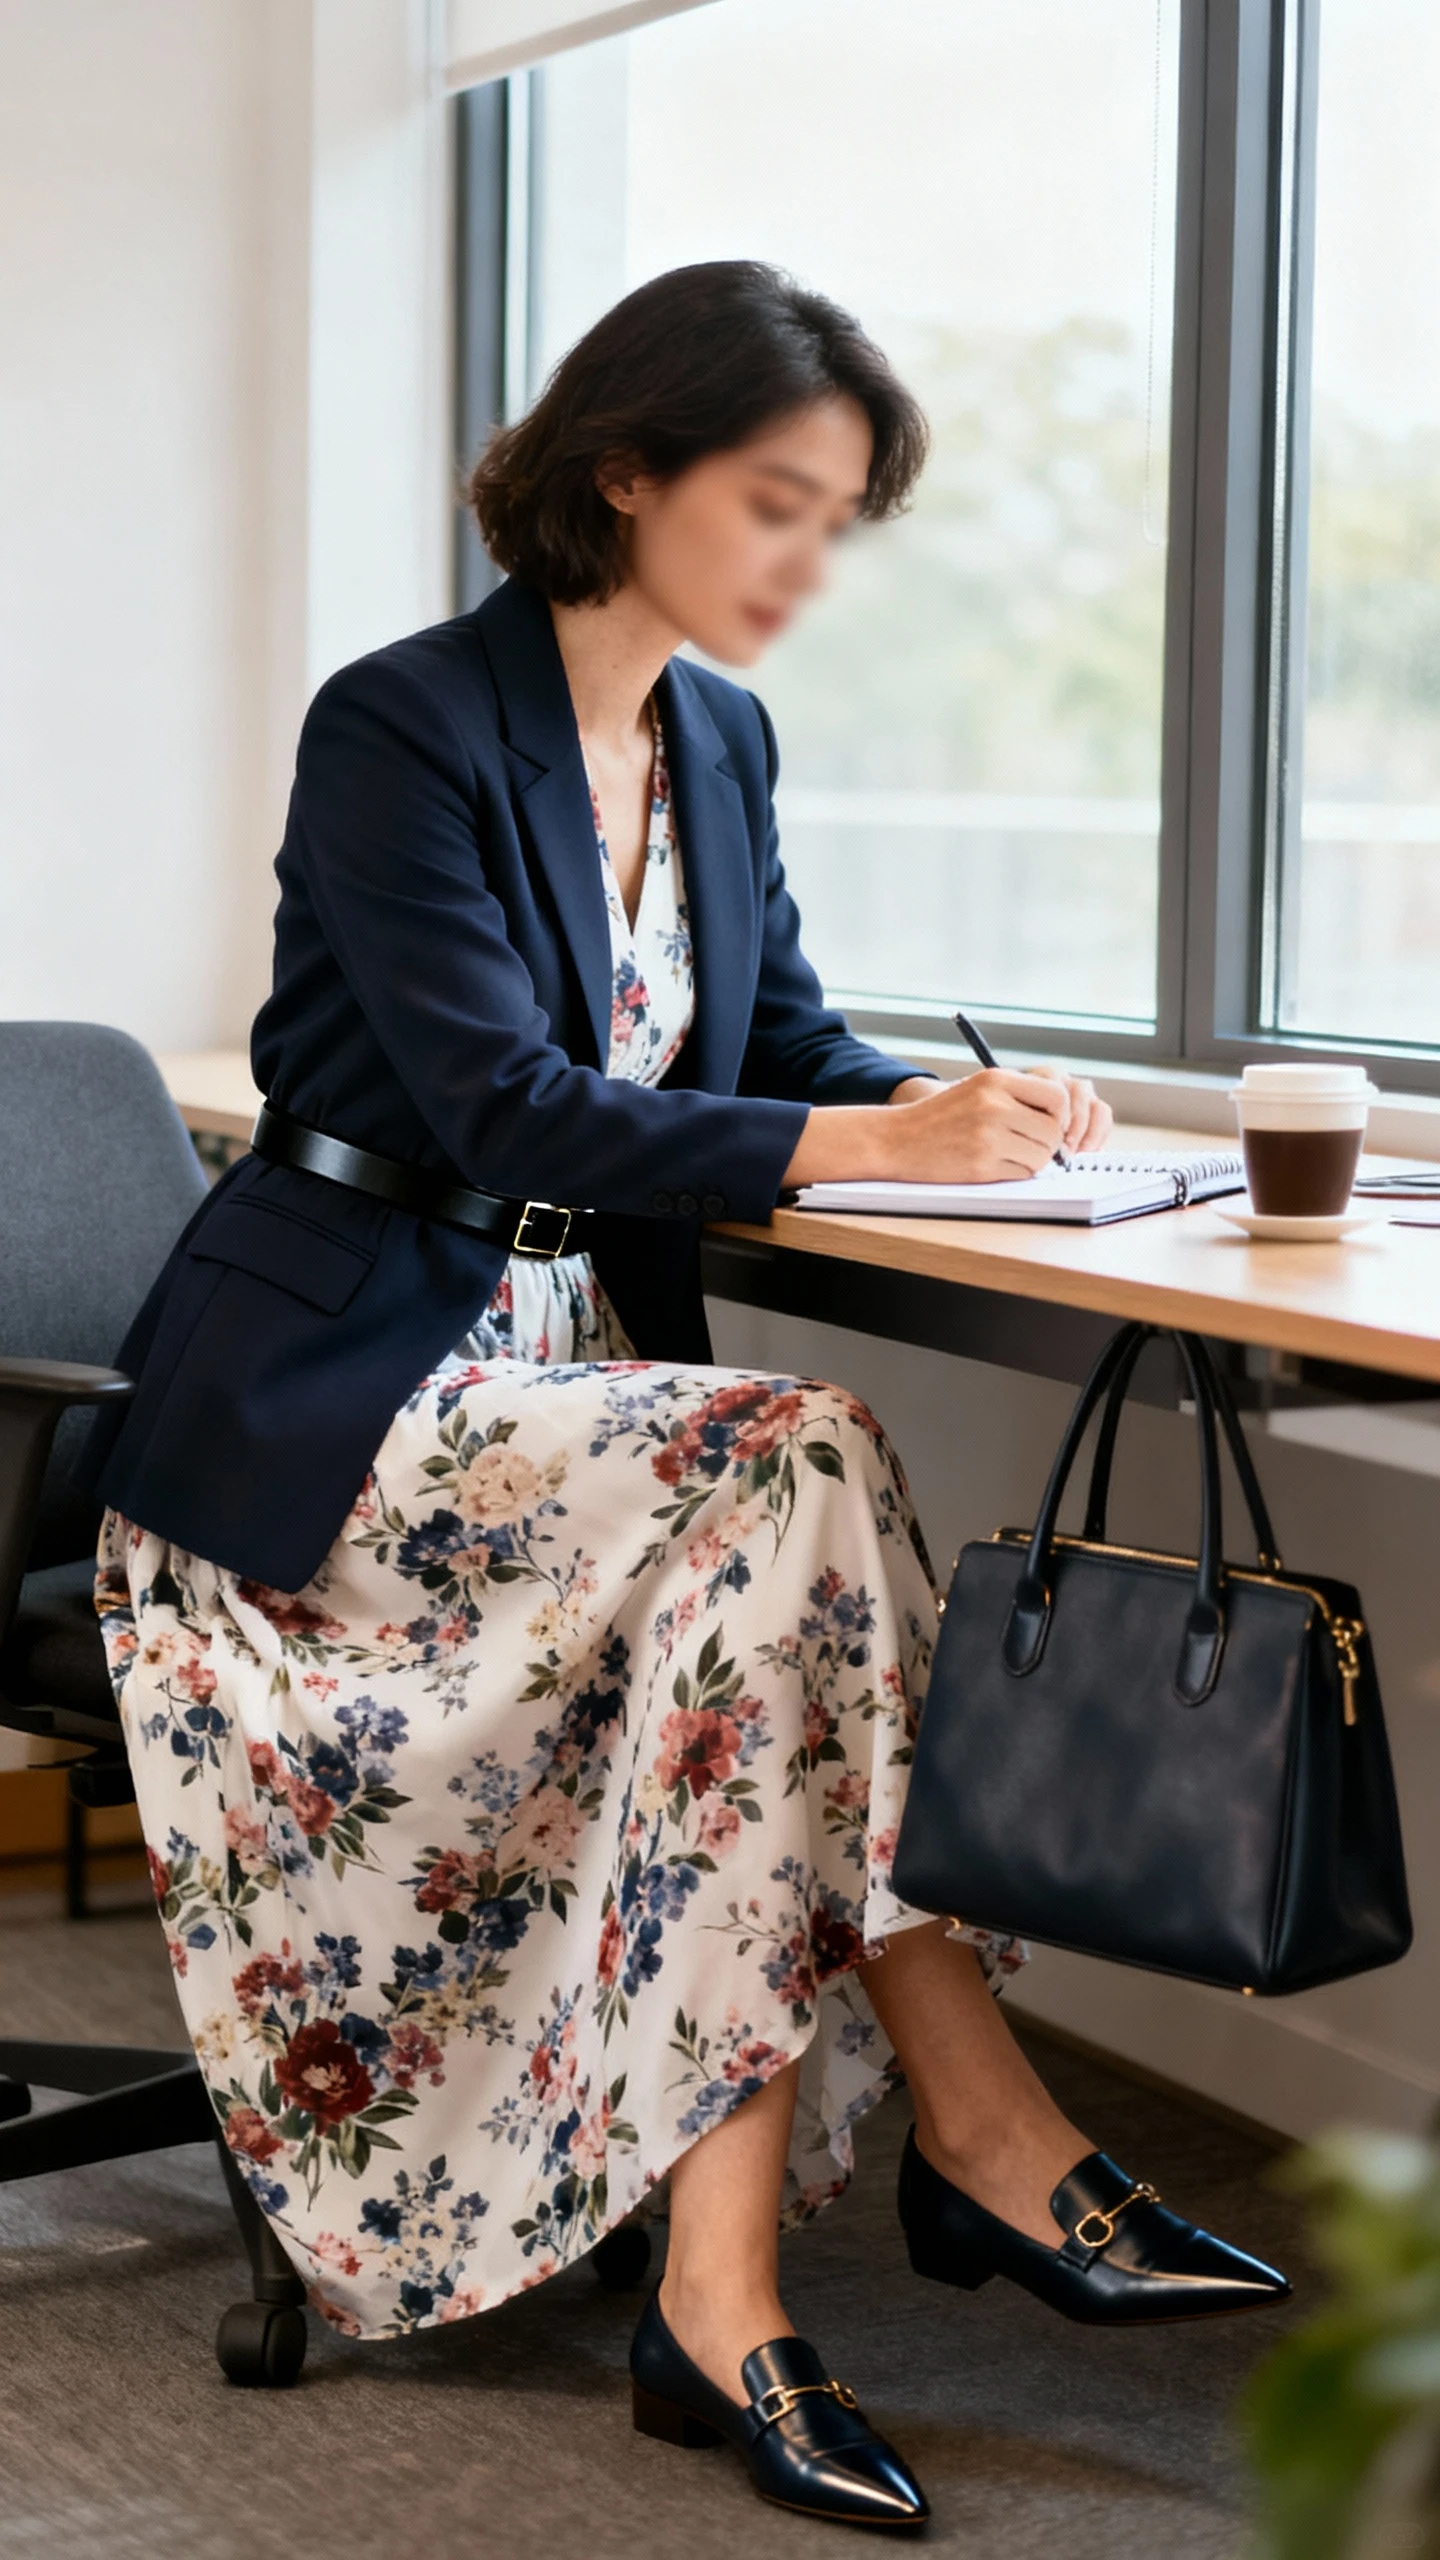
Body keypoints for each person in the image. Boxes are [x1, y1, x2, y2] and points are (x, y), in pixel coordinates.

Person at [92, 261, 1287, 2532]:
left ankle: (721, 2290)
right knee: (802, 1461)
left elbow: (774, 1053)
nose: (809, 564)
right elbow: (506, 1099)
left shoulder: (718, 742)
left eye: (840, 521)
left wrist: (988, 1114)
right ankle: (992, 2137)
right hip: (349, 1400)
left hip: (594, 1416)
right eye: (776, 503)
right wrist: (860, 1146)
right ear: (621, 470)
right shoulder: (404, 723)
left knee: (769, 1593)